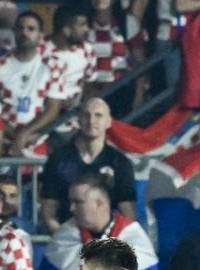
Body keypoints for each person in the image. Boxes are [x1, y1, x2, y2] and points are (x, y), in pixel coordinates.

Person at [37, 98, 137, 233]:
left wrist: (111, 244)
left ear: (109, 122)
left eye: (98, 115)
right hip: (69, 238)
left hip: (108, 241)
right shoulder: (58, 159)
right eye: (86, 115)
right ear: (78, 120)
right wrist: (65, 238)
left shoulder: (120, 162)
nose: (91, 121)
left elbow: (128, 212)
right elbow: (48, 212)